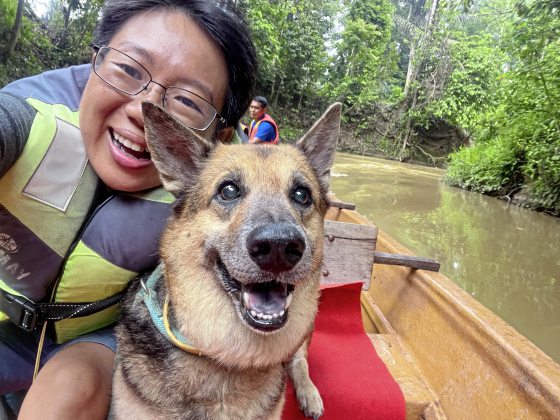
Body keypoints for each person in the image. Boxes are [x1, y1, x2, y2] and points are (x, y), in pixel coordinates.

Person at [0, 0, 257, 418]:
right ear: (93, 63)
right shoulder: (26, 118)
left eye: (188, 101)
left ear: (219, 137)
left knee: (66, 395)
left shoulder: (221, 190)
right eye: (129, 70)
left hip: (94, 339)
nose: (143, 110)